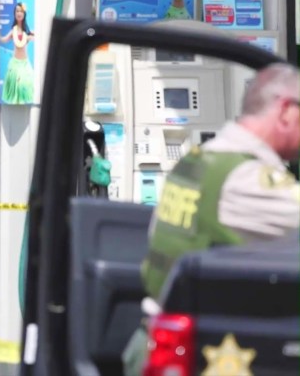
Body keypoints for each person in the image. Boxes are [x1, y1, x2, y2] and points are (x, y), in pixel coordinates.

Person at [123, 63, 300, 374]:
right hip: (198, 353)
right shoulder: (246, 179)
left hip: (155, 343)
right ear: (286, 111)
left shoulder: (197, 162)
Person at [0, 2, 35, 105]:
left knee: (25, 86)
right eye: (17, 11)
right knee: (15, 89)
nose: (19, 13)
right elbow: (3, 40)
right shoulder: (13, 30)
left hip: (25, 64)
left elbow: (37, 36)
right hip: (15, 64)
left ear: (24, 14)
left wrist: (30, 38)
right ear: (14, 13)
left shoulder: (27, 31)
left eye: (21, 11)